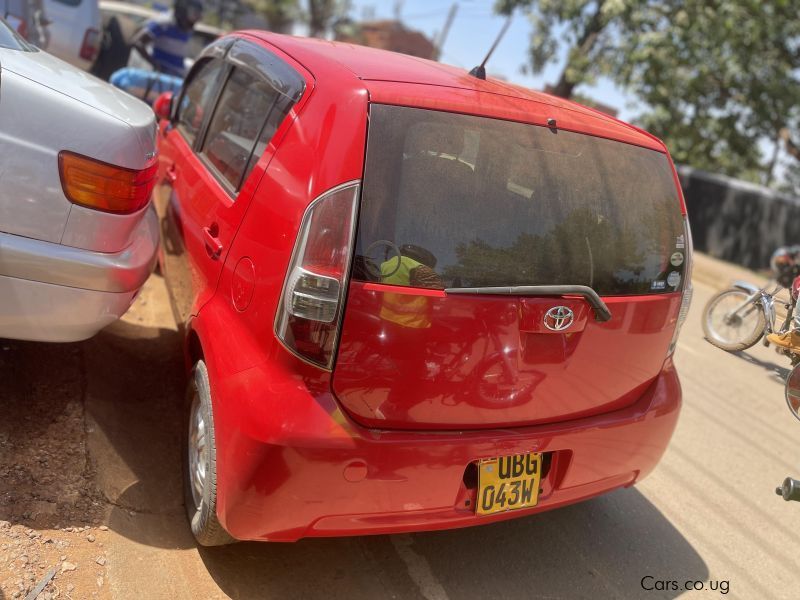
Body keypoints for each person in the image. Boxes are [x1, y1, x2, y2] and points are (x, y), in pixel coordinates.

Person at [130, 0, 202, 78]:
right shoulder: (164, 23)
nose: (195, 20)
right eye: (194, 14)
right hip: (158, 77)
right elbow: (137, 42)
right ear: (182, 10)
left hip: (176, 76)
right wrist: (155, 64)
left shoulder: (188, 29)